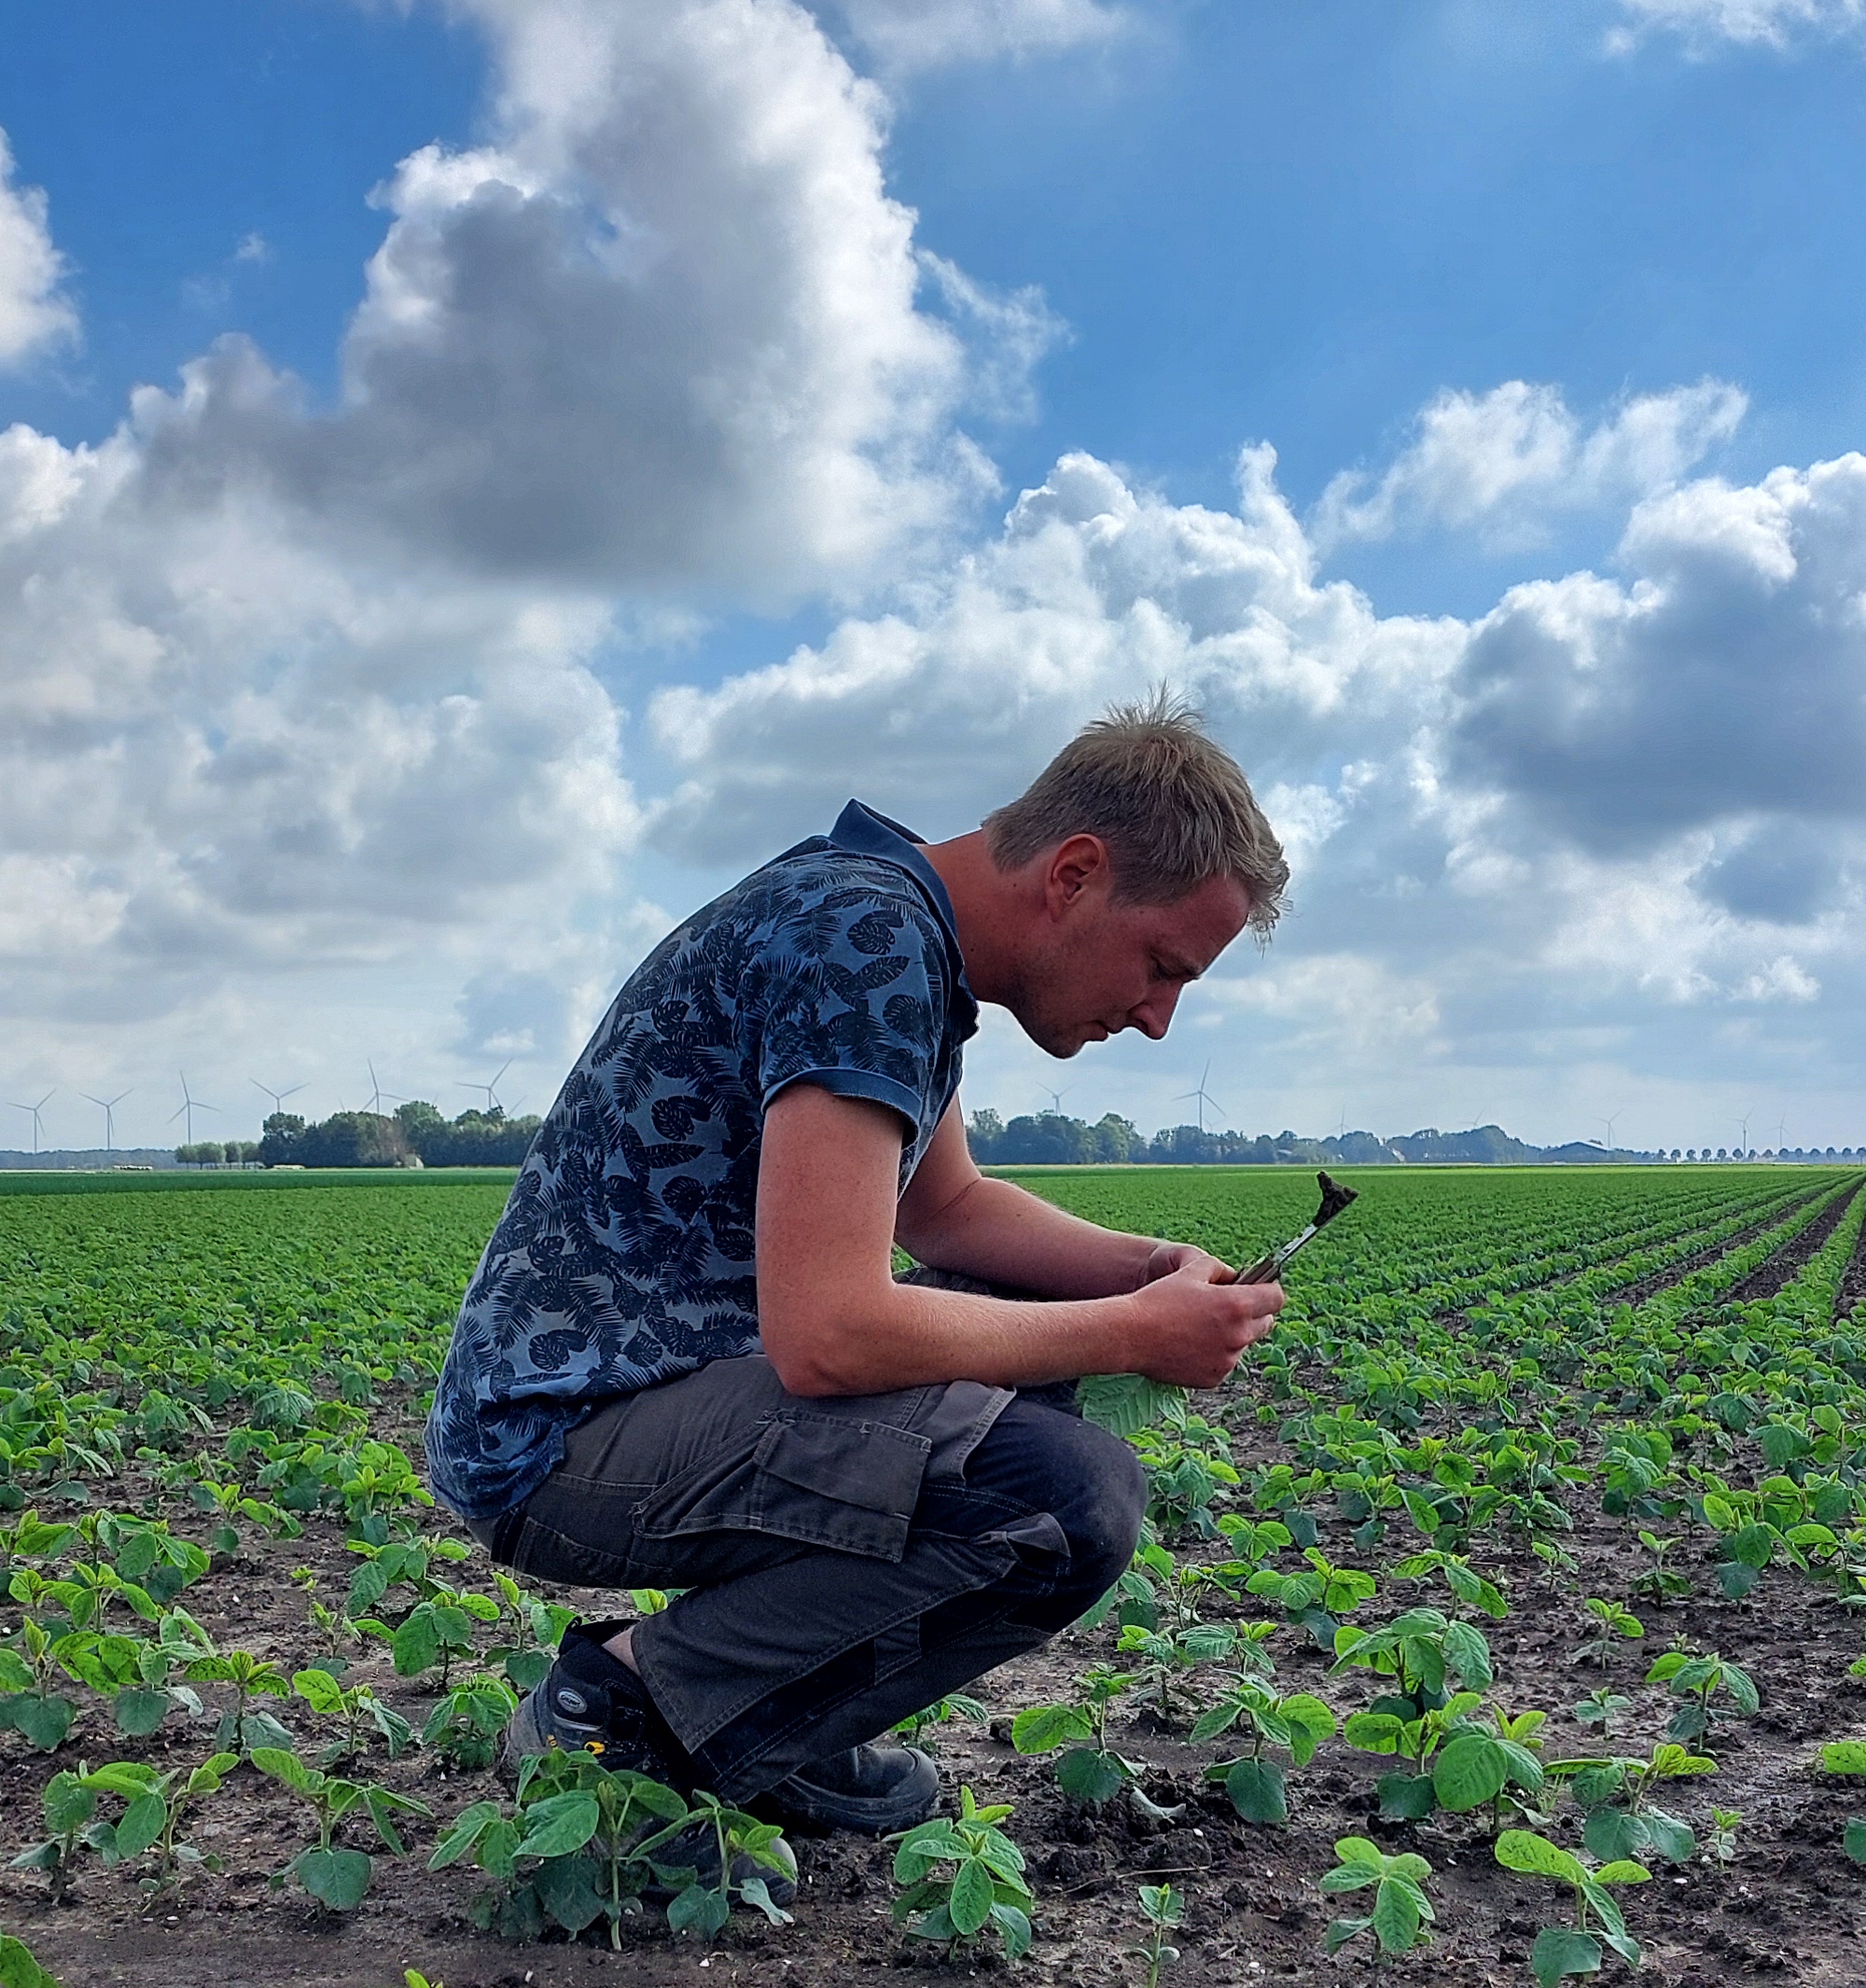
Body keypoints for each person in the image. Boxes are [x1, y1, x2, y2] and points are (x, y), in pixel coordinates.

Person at [425, 699, 1293, 1838]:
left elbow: (950, 1212)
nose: (1158, 1017)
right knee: (1061, 1499)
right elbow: (829, 1333)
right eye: (1162, 964)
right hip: (564, 1436)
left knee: (1021, 1348)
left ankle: (758, 1723)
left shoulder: (882, 918)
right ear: (1075, 874)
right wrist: (1136, 1333)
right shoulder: (867, 941)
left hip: (650, 1397)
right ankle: (631, 1705)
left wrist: (1147, 1271)